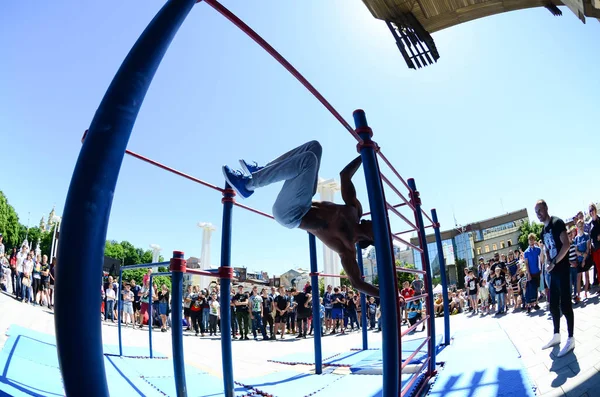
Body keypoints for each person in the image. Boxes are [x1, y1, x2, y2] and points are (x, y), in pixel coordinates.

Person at [222, 141, 377, 297]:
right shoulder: (355, 210)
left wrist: (385, 294)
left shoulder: (347, 247)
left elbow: (357, 283)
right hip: (304, 200)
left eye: (375, 225)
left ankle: (248, 185)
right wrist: (365, 155)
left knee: (308, 160)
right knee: (315, 147)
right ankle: (263, 169)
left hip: (290, 214)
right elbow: (345, 176)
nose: (373, 220)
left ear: (371, 237)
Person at [536, 199, 575, 357]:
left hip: (563, 270)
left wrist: (554, 262)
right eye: (536, 212)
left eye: (540, 210)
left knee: (565, 305)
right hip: (552, 272)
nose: (538, 214)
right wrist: (547, 261)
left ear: (546, 208)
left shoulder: (557, 222)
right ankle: (556, 335)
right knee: (553, 306)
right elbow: (546, 248)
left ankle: (571, 338)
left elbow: (566, 244)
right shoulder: (543, 231)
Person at [523, 233, 542, 312]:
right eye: (530, 240)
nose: (531, 241)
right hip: (530, 273)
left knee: (536, 287)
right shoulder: (526, 252)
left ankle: (536, 303)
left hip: (537, 271)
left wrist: (541, 269)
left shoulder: (538, 249)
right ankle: (529, 305)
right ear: (528, 241)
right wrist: (529, 274)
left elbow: (541, 260)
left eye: (533, 239)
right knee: (530, 289)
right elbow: (526, 263)